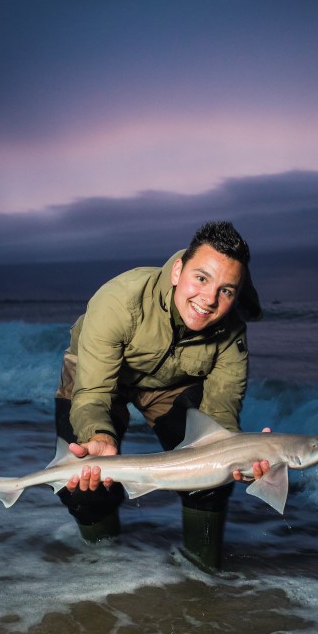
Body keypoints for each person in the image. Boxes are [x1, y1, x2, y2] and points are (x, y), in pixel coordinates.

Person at [55, 220, 269, 570]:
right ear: (177, 271)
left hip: (169, 385)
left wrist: (241, 454)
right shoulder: (118, 302)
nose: (209, 300)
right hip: (96, 375)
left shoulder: (232, 334)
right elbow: (93, 393)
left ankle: (204, 579)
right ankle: (100, 572)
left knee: (212, 480)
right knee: (82, 487)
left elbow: (219, 419)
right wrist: (99, 435)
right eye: (201, 278)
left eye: (227, 290)